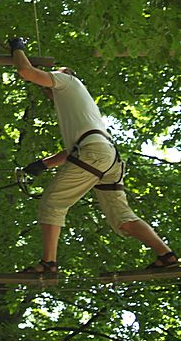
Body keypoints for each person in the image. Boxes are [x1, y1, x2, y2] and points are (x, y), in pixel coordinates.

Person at [9, 37, 178, 274]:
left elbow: (26, 71)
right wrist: (43, 164)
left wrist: (17, 48)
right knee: (123, 219)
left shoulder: (67, 79)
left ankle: (48, 264)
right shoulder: (79, 106)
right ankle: (166, 255)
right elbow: (74, 152)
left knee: (53, 204)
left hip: (95, 154)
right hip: (107, 158)